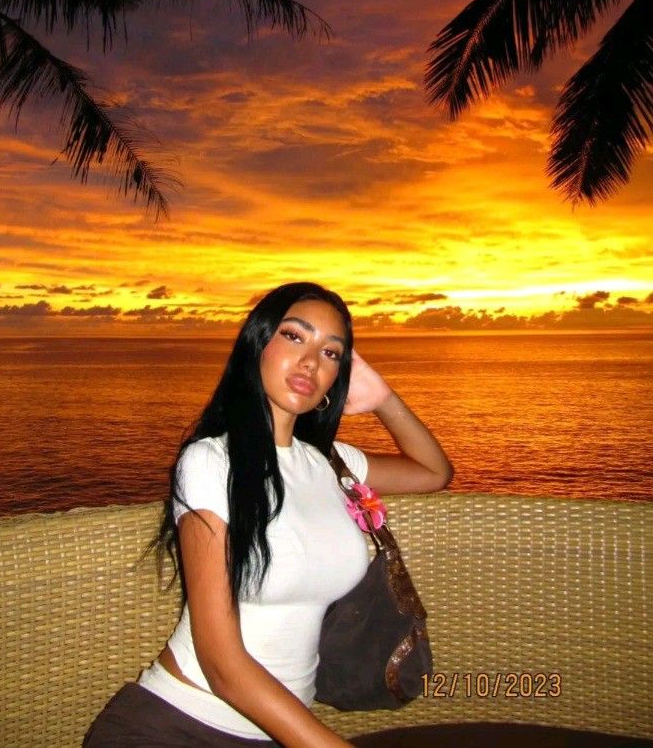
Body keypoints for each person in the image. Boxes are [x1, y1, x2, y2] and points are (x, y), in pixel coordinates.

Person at [84, 282, 453, 747]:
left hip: (279, 734)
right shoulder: (211, 462)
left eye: (331, 353)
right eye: (295, 337)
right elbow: (221, 664)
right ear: (258, 343)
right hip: (179, 726)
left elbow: (433, 471)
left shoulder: (330, 463)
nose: (311, 361)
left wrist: (382, 399)